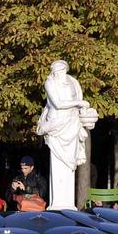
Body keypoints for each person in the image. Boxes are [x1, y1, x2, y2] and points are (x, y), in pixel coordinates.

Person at [34, 60, 98, 209]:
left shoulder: (73, 81)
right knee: (58, 163)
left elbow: (79, 100)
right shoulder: (49, 82)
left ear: (65, 69)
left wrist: (82, 109)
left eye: (61, 71)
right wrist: (79, 102)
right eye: (55, 71)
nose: (58, 74)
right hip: (57, 124)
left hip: (71, 123)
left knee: (70, 163)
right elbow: (57, 104)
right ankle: (57, 205)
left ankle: (68, 205)